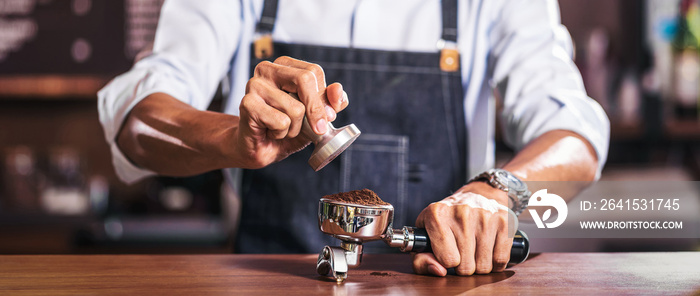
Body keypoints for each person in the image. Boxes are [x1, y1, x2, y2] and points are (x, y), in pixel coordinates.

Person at [98, 0, 609, 276]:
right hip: (269, 284)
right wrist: (234, 139)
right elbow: (135, 120)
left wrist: (495, 191)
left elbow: (576, 135)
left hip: (437, 283)